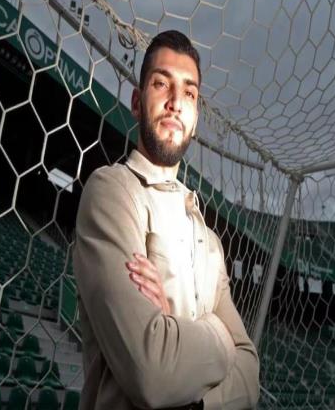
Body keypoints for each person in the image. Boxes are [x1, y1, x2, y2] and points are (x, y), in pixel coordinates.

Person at [73, 30, 260, 409]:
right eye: (162, 84)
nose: (176, 103)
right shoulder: (112, 192)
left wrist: (174, 331)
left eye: (189, 93)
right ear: (137, 102)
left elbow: (251, 376)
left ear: (196, 119)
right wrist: (221, 337)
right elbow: (152, 372)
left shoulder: (210, 242)